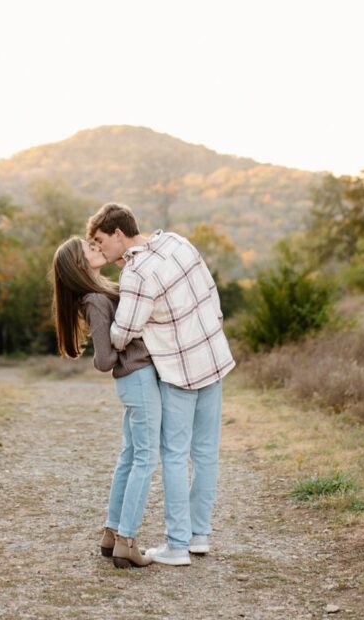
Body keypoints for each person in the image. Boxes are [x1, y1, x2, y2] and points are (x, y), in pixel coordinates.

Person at [87, 203, 236, 567]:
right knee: (204, 454)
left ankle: (177, 545)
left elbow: (123, 331)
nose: (99, 248)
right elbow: (211, 294)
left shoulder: (137, 273)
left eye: (101, 240)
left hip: (179, 373)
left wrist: (111, 336)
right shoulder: (176, 243)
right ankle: (200, 535)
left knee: (171, 454)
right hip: (213, 359)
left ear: (118, 234)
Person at [51, 235, 160, 569]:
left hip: (133, 381)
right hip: (137, 378)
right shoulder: (96, 300)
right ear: (78, 264)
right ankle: (127, 541)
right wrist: (123, 344)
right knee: (144, 458)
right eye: (89, 249)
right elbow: (102, 360)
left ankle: (112, 533)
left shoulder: (98, 291)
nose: (95, 248)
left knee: (130, 456)